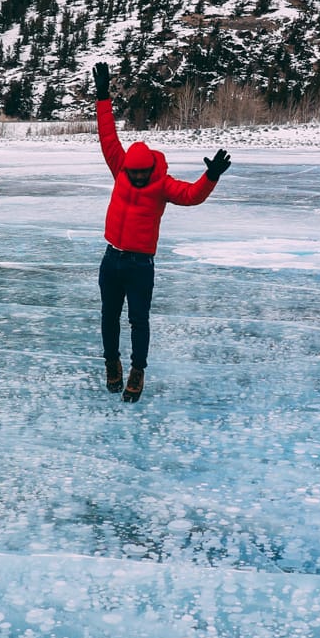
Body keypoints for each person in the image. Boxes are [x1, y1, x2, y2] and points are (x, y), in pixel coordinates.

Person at [92, 65, 231, 401]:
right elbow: (108, 135)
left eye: (142, 174)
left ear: (150, 169)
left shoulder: (162, 184)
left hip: (140, 265)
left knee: (139, 320)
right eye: (133, 174)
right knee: (109, 317)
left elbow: (191, 196)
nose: (137, 179)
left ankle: (137, 370)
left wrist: (210, 177)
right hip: (112, 259)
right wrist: (102, 96)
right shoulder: (121, 167)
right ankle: (113, 363)